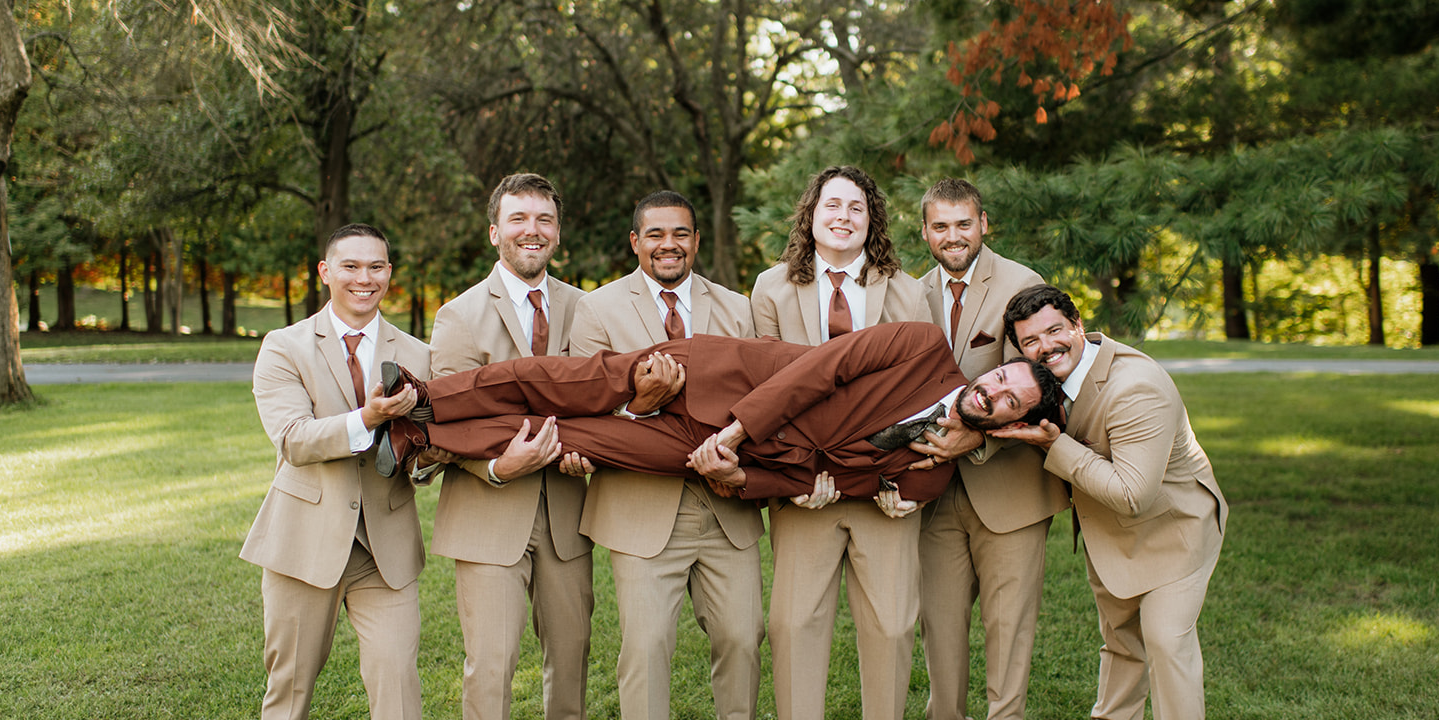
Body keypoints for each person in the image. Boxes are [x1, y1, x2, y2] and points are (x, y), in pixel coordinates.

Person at [228, 223, 436, 720]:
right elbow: (293, 439)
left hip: (385, 545)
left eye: (377, 267)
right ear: (325, 272)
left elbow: (428, 449)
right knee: (290, 678)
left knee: (396, 676)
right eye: (351, 266)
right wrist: (367, 419)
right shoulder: (284, 346)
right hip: (304, 542)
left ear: (390, 273)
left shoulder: (419, 353)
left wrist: (426, 458)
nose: (364, 279)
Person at [992, 284, 1227, 720]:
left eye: (1055, 331)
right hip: (1108, 532)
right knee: (1120, 641)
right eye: (1030, 341)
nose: (1046, 347)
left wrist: (1053, 447)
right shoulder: (1042, 382)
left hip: (1173, 529)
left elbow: (1133, 495)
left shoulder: (1136, 387)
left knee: (1166, 645)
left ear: (1078, 324)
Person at [566, 192, 766, 720]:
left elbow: (761, 399)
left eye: (680, 233)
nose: (668, 244)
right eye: (655, 234)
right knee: (646, 648)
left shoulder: (737, 308)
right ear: (635, 241)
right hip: (640, 509)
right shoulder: (597, 309)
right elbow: (582, 410)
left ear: (696, 240)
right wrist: (639, 407)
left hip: (724, 508)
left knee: (742, 636)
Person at [423, 173, 613, 720]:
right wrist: (500, 465)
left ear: (557, 232)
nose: (532, 229)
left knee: (572, 644)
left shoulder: (586, 309)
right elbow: (447, 424)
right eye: (518, 218)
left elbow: (600, 402)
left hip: (566, 507)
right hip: (489, 507)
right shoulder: (458, 316)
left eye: (544, 219)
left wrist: (590, 452)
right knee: (493, 658)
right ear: (495, 232)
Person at [744, 164, 935, 720]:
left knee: (892, 625)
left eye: (857, 207)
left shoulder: (905, 289)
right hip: (808, 490)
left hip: (884, 488)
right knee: (794, 625)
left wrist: (907, 482)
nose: (844, 216)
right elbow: (763, 391)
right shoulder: (772, 287)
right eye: (833, 204)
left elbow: (924, 393)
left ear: (871, 219)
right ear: (812, 214)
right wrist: (792, 479)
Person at [379, 321, 1061, 505]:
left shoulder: (929, 474)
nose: (993, 392)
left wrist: (740, 479)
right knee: (558, 381)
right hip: (712, 378)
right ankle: (429, 395)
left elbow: (820, 481)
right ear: (993, 365)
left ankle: (420, 436)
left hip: (716, 454)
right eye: (1001, 377)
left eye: (1010, 402)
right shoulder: (922, 346)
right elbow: (820, 371)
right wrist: (738, 430)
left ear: (1009, 423)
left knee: (570, 435)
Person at [903, 179, 1070, 720]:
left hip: (1009, 487)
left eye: (964, 224)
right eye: (940, 226)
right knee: (940, 626)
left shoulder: (1021, 285)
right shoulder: (908, 293)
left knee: (1008, 628)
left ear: (983, 224)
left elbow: (1034, 385)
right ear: (925, 231)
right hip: (934, 490)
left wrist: (970, 443)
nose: (953, 237)